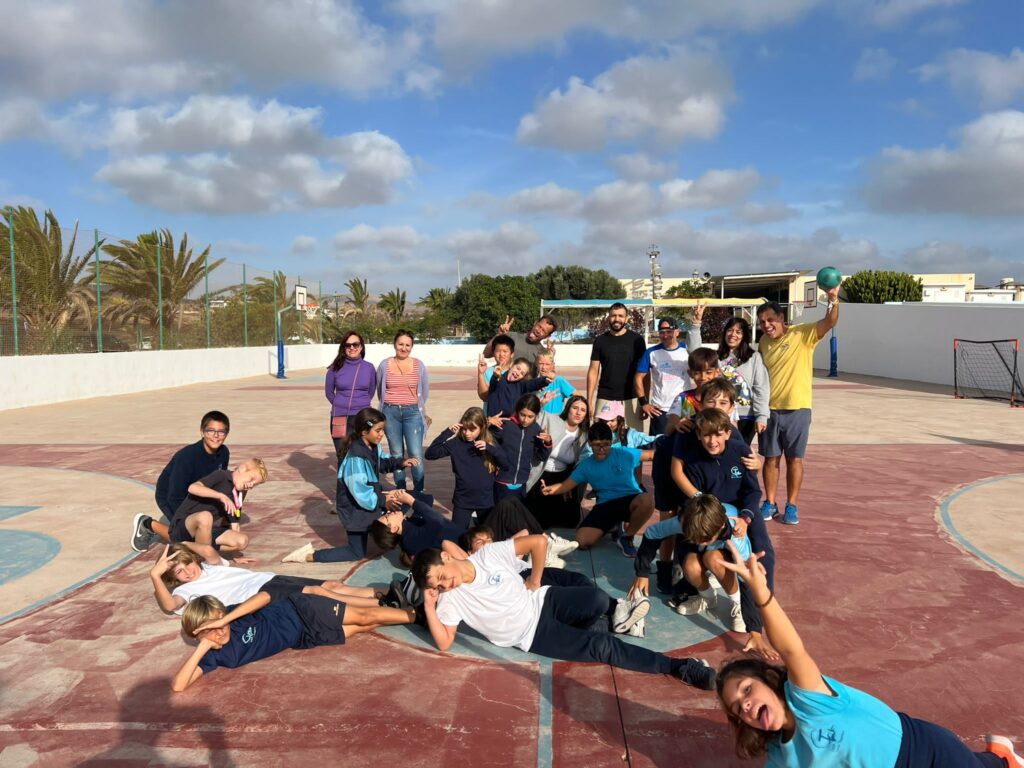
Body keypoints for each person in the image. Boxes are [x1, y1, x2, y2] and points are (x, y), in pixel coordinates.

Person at [715, 542, 1021, 767]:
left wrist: (760, 592)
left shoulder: (807, 698)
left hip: (924, 754)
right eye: (738, 708)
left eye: (747, 689)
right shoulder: (781, 757)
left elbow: (791, 649)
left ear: (769, 680)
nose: (746, 705)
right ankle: (999, 757)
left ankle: (1002, 759)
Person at [411, 537, 716, 689]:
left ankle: (609, 620)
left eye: (441, 576)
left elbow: (539, 541)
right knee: (601, 647)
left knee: (597, 598)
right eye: (437, 585)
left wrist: (534, 579)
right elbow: (445, 642)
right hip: (532, 633)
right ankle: (678, 667)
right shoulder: (450, 600)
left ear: (446, 557)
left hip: (544, 600)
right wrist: (428, 605)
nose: (444, 584)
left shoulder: (488, 555)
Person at [171, 591, 415, 691]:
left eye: (220, 622)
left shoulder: (233, 616)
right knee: (359, 628)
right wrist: (203, 646)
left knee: (363, 616)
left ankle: (417, 615)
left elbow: (265, 597)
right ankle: (401, 611)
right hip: (300, 637)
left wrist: (227, 618)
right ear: (197, 635)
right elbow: (178, 686)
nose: (220, 631)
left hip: (300, 610)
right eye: (211, 630)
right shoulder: (212, 654)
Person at [282, 408, 420, 564]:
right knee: (356, 552)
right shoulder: (355, 458)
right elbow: (360, 493)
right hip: (355, 510)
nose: (381, 434)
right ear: (364, 431)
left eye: (383, 430)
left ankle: (408, 547)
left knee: (410, 500)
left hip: (369, 502)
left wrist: (401, 463)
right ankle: (309, 555)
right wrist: (383, 501)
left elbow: (382, 462)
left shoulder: (373, 446)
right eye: (378, 430)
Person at [756, 291, 839, 526]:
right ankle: (770, 502)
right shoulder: (763, 343)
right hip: (770, 410)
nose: (766, 325)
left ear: (782, 318)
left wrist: (833, 300)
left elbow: (829, 321)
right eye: (762, 322)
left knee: (794, 460)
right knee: (770, 459)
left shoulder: (803, 334)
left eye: (771, 320)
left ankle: (791, 505)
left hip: (798, 410)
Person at [150, 543, 390, 615]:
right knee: (321, 594)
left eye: (187, 564)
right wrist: (155, 575)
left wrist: (176, 544)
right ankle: (383, 604)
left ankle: (391, 592)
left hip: (270, 578)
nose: (187, 572)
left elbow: (207, 550)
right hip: (259, 594)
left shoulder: (209, 566)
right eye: (179, 572)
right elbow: (170, 606)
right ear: (174, 579)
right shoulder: (186, 591)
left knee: (332, 585)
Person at [540, 421, 655, 555]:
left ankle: (627, 537)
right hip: (605, 504)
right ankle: (612, 526)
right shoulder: (586, 465)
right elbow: (565, 485)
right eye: (597, 445)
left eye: (605, 444)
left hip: (629, 499)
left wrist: (672, 449)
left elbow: (651, 455)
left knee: (647, 500)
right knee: (582, 541)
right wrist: (549, 489)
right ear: (589, 443)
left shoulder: (624, 453)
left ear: (611, 442)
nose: (601, 449)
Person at [647, 495, 752, 632]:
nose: (699, 542)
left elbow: (745, 573)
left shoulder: (737, 535)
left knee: (713, 558)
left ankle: (738, 604)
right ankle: (708, 599)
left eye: (705, 538)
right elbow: (652, 532)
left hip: (726, 555)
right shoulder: (686, 522)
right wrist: (641, 573)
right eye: (697, 538)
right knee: (690, 565)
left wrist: (748, 610)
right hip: (709, 548)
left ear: (721, 526)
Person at [131, 410, 232, 552]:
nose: (216, 436)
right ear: (202, 432)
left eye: (221, 432)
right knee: (189, 538)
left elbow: (218, 483)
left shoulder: (224, 453)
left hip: (197, 495)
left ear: (226, 434)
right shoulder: (187, 457)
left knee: (205, 533)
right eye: (211, 431)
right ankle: (147, 524)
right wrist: (185, 522)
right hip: (170, 496)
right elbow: (174, 495)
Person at [168, 459, 268, 563]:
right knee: (205, 517)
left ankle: (192, 547)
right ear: (242, 468)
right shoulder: (221, 475)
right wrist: (220, 496)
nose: (251, 485)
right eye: (251, 479)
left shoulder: (240, 493)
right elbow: (192, 488)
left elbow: (234, 523)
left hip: (207, 530)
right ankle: (204, 560)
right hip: (184, 526)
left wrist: (236, 556)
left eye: (255, 484)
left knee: (242, 541)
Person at [424, 407, 509, 529]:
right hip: (463, 500)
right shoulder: (456, 443)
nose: (467, 433)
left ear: (482, 428)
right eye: (464, 429)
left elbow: (505, 465)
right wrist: (447, 432)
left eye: (472, 429)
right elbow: (430, 454)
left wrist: (490, 448)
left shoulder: (489, 443)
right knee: (457, 534)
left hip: (485, 501)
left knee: (487, 534)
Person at [635, 307, 705, 436]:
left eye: (669, 331)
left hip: (685, 406)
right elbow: (638, 377)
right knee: (660, 444)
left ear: (677, 332)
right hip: (660, 409)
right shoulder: (651, 352)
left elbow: (701, 360)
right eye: (662, 332)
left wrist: (696, 322)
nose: (665, 335)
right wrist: (644, 403)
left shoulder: (687, 350)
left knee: (684, 444)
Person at [376, 329, 431, 494]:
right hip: (390, 412)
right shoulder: (384, 365)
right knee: (396, 454)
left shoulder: (419, 365)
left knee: (415, 453)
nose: (404, 348)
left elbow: (424, 391)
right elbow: (380, 390)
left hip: (413, 413)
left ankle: (418, 492)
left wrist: (415, 405)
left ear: (412, 347)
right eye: (401, 344)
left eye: (408, 345)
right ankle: (401, 491)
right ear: (395, 344)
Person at [525, 395, 590, 529]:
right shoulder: (553, 420)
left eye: (583, 410)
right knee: (536, 518)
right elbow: (533, 416)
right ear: (568, 408)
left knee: (569, 520)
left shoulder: (583, 436)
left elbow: (580, 463)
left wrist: (569, 484)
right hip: (540, 473)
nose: (578, 413)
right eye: (575, 408)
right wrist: (540, 404)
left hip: (562, 476)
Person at [588, 302, 646, 431]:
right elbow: (593, 371)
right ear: (608, 317)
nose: (617, 319)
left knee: (632, 440)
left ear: (626, 318)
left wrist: (644, 401)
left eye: (620, 316)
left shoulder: (637, 340)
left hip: (632, 398)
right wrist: (589, 401)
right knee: (601, 439)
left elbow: (645, 373)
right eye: (613, 315)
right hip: (605, 397)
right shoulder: (600, 341)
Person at [717, 317, 770, 445]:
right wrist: (696, 325)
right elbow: (695, 353)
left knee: (741, 451)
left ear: (744, 336)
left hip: (746, 416)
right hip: (722, 414)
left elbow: (761, 388)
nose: (733, 334)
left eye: (738, 332)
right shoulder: (716, 357)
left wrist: (761, 416)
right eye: (730, 330)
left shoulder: (754, 357)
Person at [489, 394, 552, 501]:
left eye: (530, 416)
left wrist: (548, 442)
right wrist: (487, 423)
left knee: (518, 510)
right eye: (522, 415)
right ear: (517, 411)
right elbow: (484, 440)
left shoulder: (536, 430)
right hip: (501, 481)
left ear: (536, 415)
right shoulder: (505, 425)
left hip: (522, 483)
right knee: (500, 510)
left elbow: (542, 457)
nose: (525, 420)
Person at [325, 331, 378, 455]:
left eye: (355, 344)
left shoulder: (369, 367)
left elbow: (371, 391)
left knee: (362, 455)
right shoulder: (334, 368)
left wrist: (360, 404)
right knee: (342, 455)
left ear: (361, 347)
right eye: (348, 345)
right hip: (340, 416)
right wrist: (339, 404)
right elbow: (329, 392)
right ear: (343, 348)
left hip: (363, 417)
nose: (352, 348)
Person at [482, 355, 551, 421]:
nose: (518, 373)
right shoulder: (499, 379)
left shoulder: (520, 385)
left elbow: (533, 383)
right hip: (494, 422)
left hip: (510, 423)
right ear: (511, 365)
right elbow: (494, 382)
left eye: (522, 373)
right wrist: (496, 375)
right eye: (518, 368)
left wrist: (545, 380)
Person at [482, 314, 558, 372]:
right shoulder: (511, 337)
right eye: (539, 326)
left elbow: (546, 376)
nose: (538, 331)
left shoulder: (542, 353)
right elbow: (486, 354)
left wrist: (550, 356)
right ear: (535, 323)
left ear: (547, 336)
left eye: (543, 331)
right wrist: (499, 335)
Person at [477, 334, 515, 414]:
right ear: (493, 353)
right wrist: (480, 374)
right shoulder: (487, 372)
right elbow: (484, 397)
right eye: (498, 351)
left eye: (505, 351)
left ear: (512, 354)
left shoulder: (517, 372)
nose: (501, 354)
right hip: (491, 417)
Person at [535, 349, 579, 415]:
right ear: (536, 363)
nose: (543, 367)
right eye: (541, 363)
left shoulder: (559, 381)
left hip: (556, 417)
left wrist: (567, 412)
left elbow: (578, 396)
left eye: (547, 364)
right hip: (539, 417)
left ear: (552, 365)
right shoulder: (533, 382)